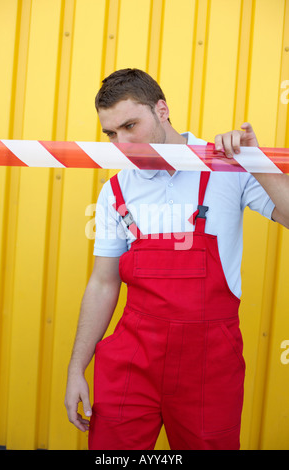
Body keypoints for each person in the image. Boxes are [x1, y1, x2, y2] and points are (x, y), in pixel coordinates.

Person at [65, 68, 289, 450]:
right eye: (111, 134)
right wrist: (75, 368)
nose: (122, 144)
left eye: (130, 126)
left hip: (209, 370)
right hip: (132, 363)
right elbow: (104, 282)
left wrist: (254, 160)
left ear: (162, 109)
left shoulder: (226, 167)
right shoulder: (115, 190)